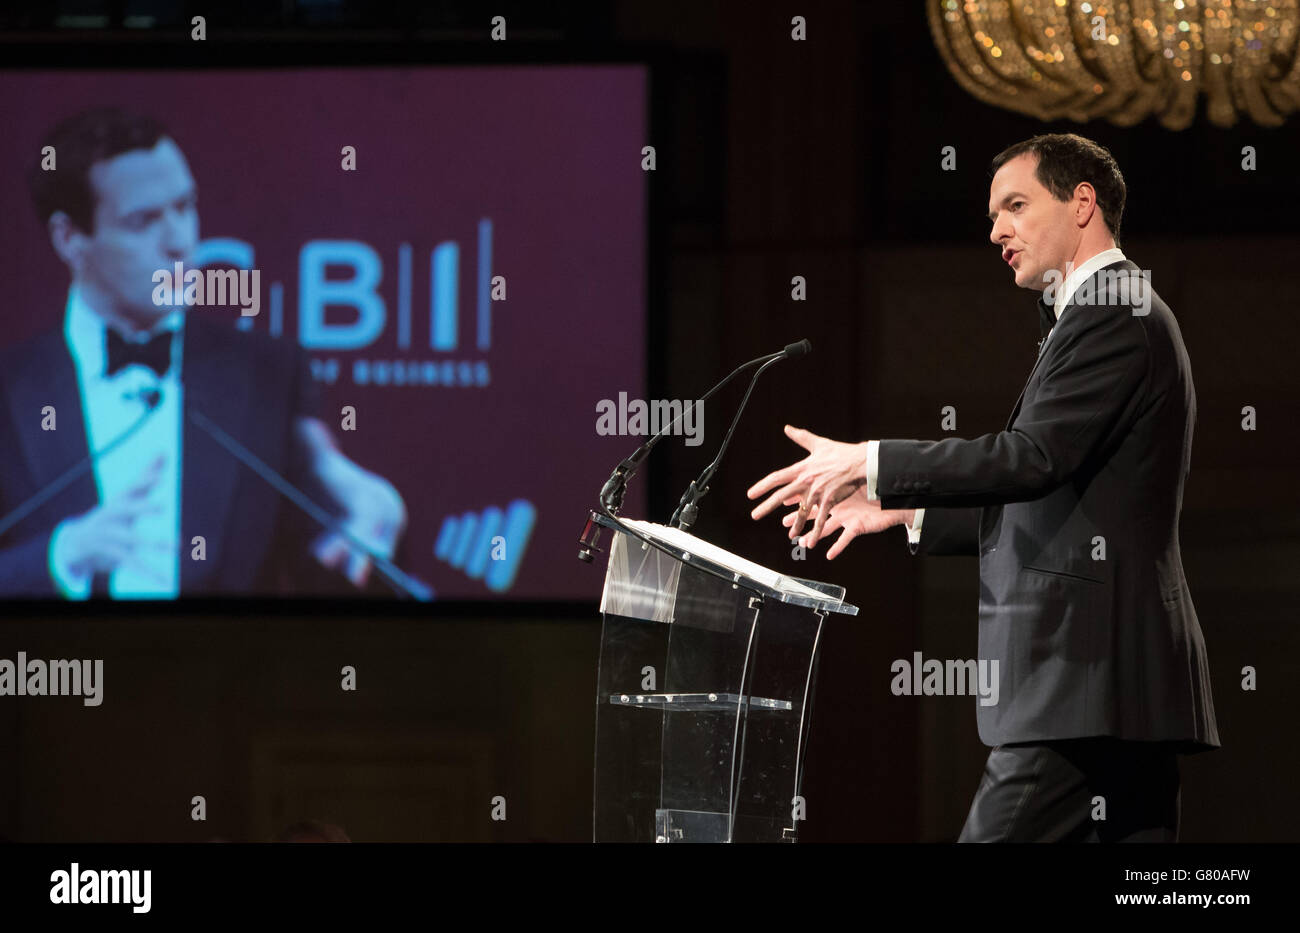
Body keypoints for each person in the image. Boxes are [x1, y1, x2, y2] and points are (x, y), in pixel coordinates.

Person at [747, 133, 1219, 842]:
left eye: (1017, 205)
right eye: (994, 213)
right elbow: (1058, 500)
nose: (996, 229)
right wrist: (903, 508)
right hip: (1115, 685)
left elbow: (1030, 458)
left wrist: (870, 459)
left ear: (1082, 203)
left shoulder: (1116, 309)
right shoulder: (1099, 313)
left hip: (1083, 678)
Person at [0, 107, 405, 598]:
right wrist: (60, 557)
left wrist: (370, 519)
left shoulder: (266, 375)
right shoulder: (11, 390)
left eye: (185, 207)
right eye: (143, 220)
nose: (180, 242)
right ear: (70, 238)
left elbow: (328, 559)